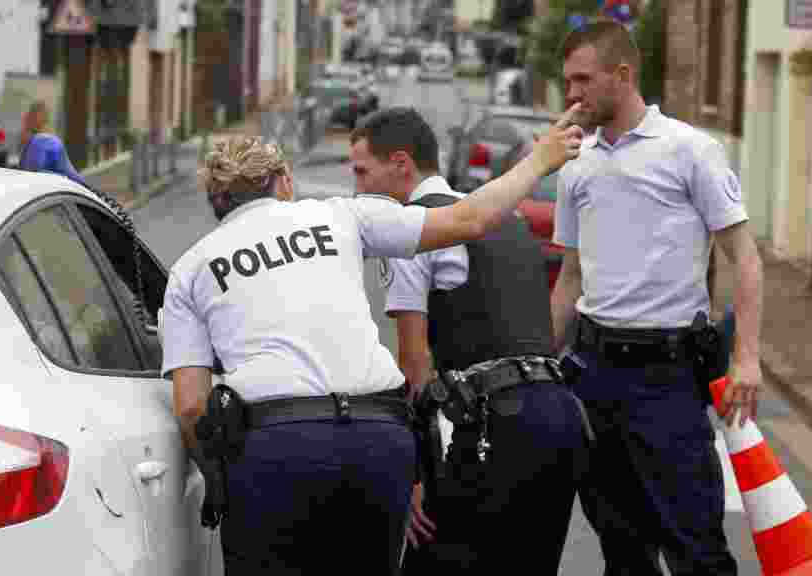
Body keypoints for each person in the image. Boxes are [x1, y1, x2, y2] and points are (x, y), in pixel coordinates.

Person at [162, 117, 583, 575]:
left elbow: (190, 407)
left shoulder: (190, 268)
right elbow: (471, 218)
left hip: (276, 446)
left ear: (216, 202)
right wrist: (541, 159)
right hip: (376, 439)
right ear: (284, 182)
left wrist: (222, 479)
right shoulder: (340, 213)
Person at [550, 19, 764, 575]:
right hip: (592, 375)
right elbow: (570, 276)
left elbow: (745, 256)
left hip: (666, 380)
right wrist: (543, 363)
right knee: (621, 550)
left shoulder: (691, 151)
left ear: (622, 76)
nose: (571, 94)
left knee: (696, 550)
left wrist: (746, 356)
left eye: (582, 80)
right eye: (566, 82)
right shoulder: (575, 164)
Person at [349, 108, 588, 574]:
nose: (357, 187)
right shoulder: (509, 220)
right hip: (559, 419)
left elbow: (414, 362)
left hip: (496, 428)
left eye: (361, 171)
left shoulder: (413, 229)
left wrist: (414, 472)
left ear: (401, 164)